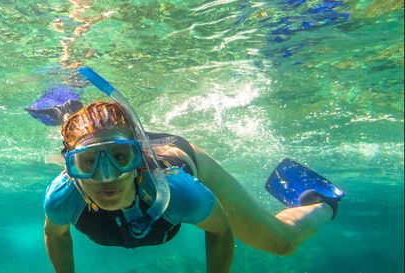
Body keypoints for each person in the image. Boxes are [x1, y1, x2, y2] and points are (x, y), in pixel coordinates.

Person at [41, 69, 342, 273]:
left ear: (140, 157)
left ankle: (322, 202)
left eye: (121, 158)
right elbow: (55, 235)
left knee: (282, 243)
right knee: (94, 136)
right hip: (108, 140)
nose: (106, 177)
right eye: (88, 163)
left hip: (182, 156)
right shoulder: (62, 196)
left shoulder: (178, 190)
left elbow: (220, 229)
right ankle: (72, 110)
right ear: (69, 166)